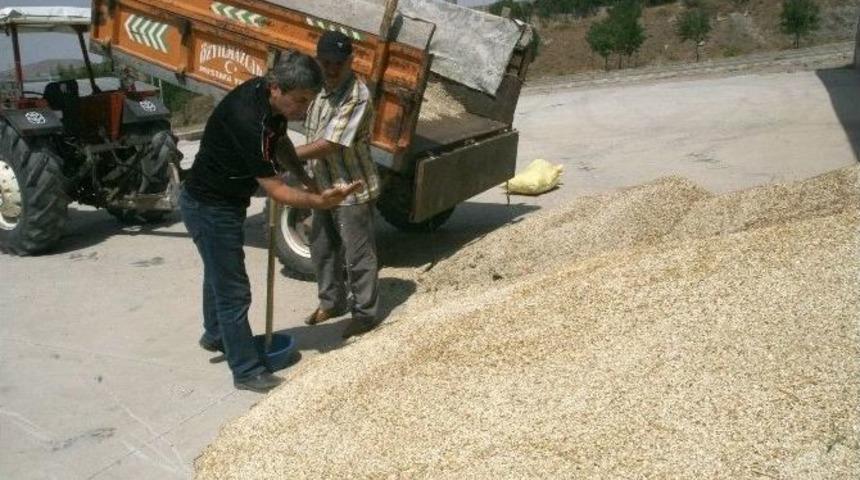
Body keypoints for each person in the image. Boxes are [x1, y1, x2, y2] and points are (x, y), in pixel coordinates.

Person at [180, 51, 361, 393]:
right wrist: (318, 201)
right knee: (234, 290)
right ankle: (247, 371)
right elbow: (276, 189)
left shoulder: (269, 102)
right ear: (277, 89)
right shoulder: (248, 119)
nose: (305, 109)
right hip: (208, 206)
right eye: (300, 101)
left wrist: (307, 181)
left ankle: (216, 334)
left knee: (218, 272)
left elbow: (280, 145)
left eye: (309, 101)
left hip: (224, 201)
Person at [295, 31, 380, 339]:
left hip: (351, 187)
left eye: (337, 64)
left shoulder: (357, 95)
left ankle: (366, 314)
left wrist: (286, 155)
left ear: (350, 61)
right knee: (322, 249)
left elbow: (331, 143)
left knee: (357, 256)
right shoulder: (319, 90)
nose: (331, 69)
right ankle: (332, 303)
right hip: (322, 186)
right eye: (326, 62)